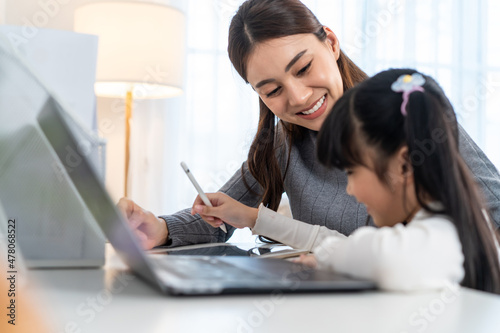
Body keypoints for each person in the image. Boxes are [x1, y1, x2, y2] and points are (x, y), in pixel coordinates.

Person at [118, 0, 500, 251]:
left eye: (303, 68)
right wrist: (161, 228)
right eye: (271, 90)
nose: (299, 98)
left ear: (330, 43)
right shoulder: (284, 144)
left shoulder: (399, 114)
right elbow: (221, 215)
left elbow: (493, 214)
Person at [194, 69, 500, 293]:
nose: (350, 189)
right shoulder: (433, 222)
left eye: (351, 171)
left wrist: (328, 260)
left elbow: (383, 258)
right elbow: (335, 242)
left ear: (405, 164)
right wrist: (252, 218)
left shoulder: (446, 233)